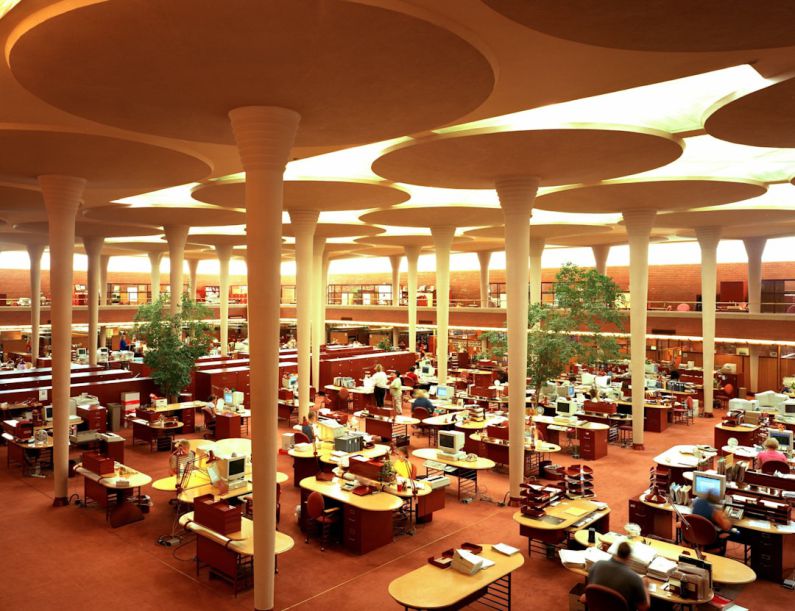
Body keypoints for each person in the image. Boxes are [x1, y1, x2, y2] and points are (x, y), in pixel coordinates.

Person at [586, 541, 650, 610]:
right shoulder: (634, 578)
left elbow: (589, 591)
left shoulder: (597, 565)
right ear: (629, 557)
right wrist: (645, 587)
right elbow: (643, 607)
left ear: (616, 554)